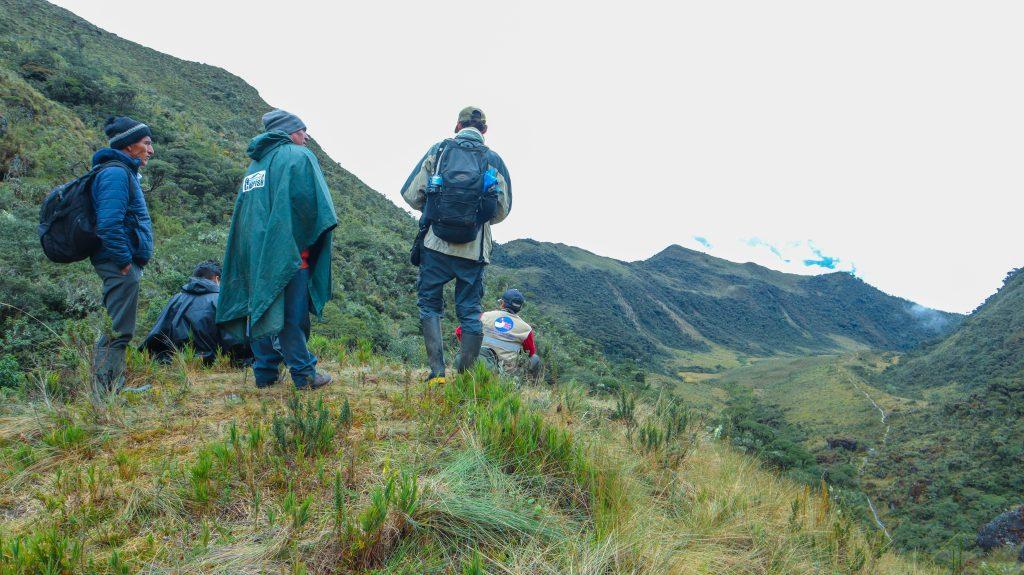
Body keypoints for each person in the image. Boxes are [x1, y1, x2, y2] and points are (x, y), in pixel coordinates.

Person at [217, 110, 337, 390]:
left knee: (260, 308)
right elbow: (315, 209)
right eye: (302, 130)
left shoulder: (255, 164)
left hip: (254, 257)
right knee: (291, 317)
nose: (306, 136)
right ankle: (305, 374)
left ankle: (265, 373)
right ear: (288, 132)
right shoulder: (299, 156)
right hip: (288, 256)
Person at [401, 107, 512, 384]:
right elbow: (501, 211)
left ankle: (437, 373)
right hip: (472, 251)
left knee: (430, 305)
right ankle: (464, 376)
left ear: (457, 126)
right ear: (484, 131)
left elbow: (411, 194)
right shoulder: (494, 160)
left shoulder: (439, 152)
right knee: (470, 311)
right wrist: (472, 219)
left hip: (435, 245)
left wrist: (438, 209)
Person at [90, 116, 155, 394]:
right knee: (119, 329)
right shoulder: (116, 173)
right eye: (147, 143)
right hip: (119, 264)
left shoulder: (122, 172)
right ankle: (106, 395)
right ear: (129, 146)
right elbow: (108, 223)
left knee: (118, 326)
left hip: (120, 263)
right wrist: (124, 261)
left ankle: (110, 389)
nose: (151, 150)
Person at [141, 260, 250, 365]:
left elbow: (156, 334)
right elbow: (236, 340)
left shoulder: (176, 299)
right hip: (213, 363)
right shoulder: (222, 301)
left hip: (175, 362)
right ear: (217, 279)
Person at [456, 289, 541, 377]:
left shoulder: (484, 316)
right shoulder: (526, 329)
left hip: (476, 365)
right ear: (520, 308)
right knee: (535, 358)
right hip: (504, 374)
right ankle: (530, 386)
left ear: (502, 303)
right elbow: (530, 352)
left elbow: (459, 332)